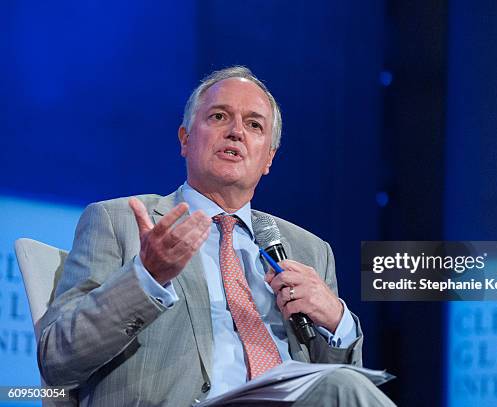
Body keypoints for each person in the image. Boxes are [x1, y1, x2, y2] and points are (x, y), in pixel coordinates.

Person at [38, 66, 395, 406]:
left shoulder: (310, 250)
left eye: (254, 124)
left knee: (343, 386)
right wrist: (147, 277)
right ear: (185, 139)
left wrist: (337, 321)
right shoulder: (121, 222)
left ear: (268, 158)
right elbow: (57, 358)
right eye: (219, 117)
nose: (236, 131)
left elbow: (344, 387)